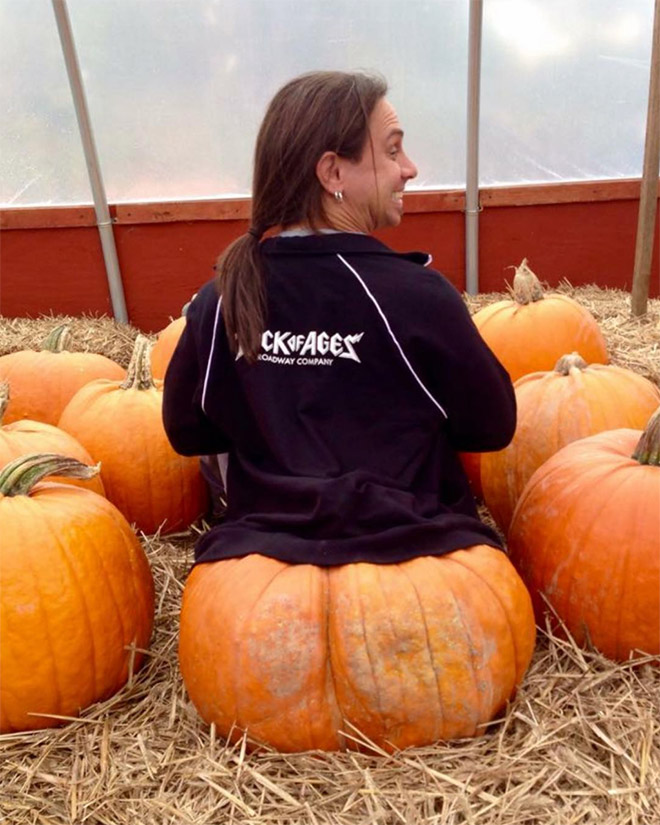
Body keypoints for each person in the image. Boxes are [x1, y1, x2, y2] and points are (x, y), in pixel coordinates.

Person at [162, 70, 516, 566]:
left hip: (258, 576)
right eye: (392, 151)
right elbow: (492, 426)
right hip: (419, 564)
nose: (409, 169)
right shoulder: (418, 296)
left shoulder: (218, 300)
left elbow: (189, 434)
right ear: (332, 173)